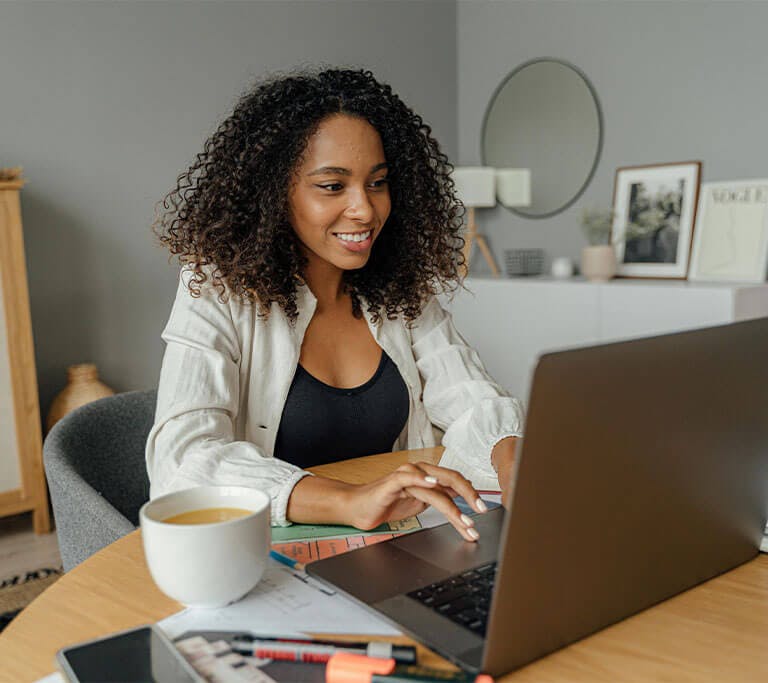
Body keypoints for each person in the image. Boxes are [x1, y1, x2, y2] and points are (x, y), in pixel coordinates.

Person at [147, 67, 524, 542]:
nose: (365, 210)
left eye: (378, 183)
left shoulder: (399, 287)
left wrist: (517, 473)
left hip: (396, 540)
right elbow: (183, 458)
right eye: (332, 186)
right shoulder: (217, 287)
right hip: (263, 553)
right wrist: (350, 501)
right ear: (273, 193)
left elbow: (471, 396)